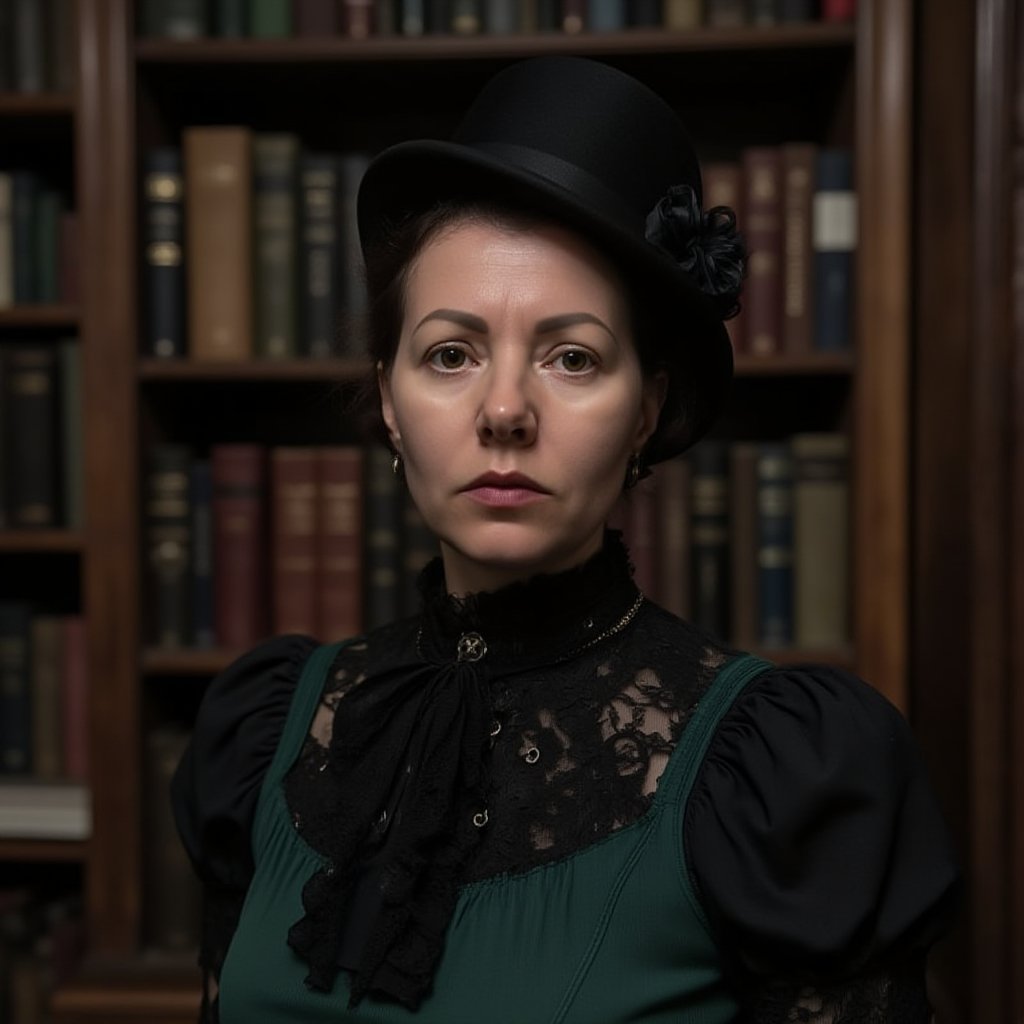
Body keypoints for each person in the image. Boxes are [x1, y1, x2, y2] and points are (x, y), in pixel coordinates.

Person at [171, 57, 959, 1023]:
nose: (504, 409)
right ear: (388, 399)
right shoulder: (267, 728)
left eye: (572, 357)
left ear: (645, 411)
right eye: (450, 354)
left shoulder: (776, 772)